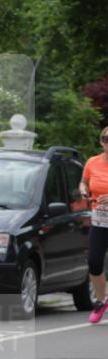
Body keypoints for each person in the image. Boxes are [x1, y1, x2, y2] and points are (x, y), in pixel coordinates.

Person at [79, 125, 108, 324]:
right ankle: (101, 300)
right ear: (101, 142)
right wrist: (83, 190)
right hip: (100, 219)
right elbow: (83, 181)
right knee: (94, 262)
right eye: (106, 138)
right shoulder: (92, 162)